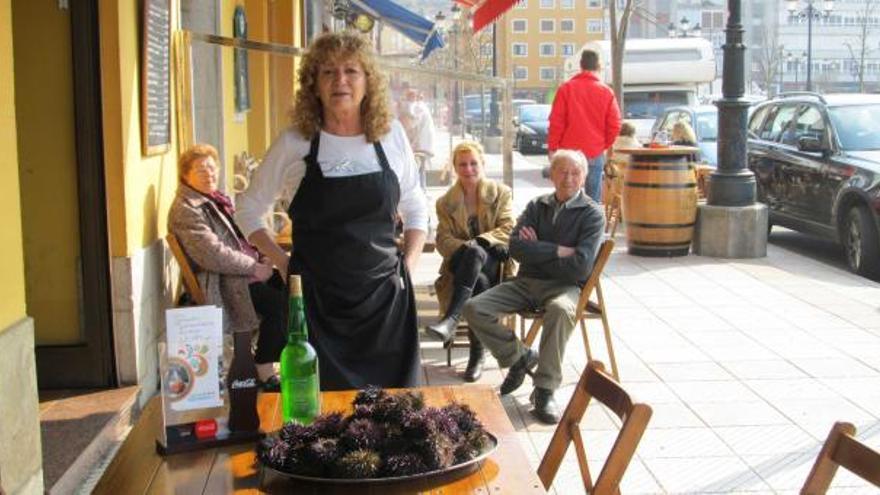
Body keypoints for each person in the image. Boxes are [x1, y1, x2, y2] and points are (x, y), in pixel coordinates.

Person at [235, 32, 428, 391]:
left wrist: (410, 267)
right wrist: (282, 261)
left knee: (395, 413)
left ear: (368, 81)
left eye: (351, 71)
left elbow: (416, 205)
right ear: (314, 84)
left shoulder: (392, 136)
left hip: (386, 303)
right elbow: (247, 209)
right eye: (328, 72)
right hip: (317, 305)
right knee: (322, 419)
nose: (340, 80)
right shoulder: (295, 142)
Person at [462, 149, 605, 424]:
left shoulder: (592, 214)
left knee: (561, 311)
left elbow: (581, 266)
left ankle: (545, 390)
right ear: (552, 174)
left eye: (576, 173)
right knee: (473, 307)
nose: (569, 178)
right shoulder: (537, 205)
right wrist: (560, 250)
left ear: (585, 176)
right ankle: (520, 357)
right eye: (562, 171)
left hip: (564, 287)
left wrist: (538, 249)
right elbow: (515, 247)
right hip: (526, 283)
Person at [168, 144, 286, 390]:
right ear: (185, 175)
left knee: (295, 286)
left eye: (212, 168)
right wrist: (254, 267)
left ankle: (286, 355)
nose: (209, 174)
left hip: (244, 272)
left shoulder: (215, 199)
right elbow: (212, 254)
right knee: (282, 305)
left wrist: (263, 255)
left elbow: (241, 236)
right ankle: (263, 366)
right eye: (200, 170)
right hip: (226, 282)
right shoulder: (186, 209)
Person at [425, 141, 515, 382]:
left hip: (493, 265)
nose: (469, 169)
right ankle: (477, 354)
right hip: (458, 264)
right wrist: (466, 248)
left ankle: (451, 321)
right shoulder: (444, 202)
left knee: (480, 278)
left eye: (474, 163)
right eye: (462, 164)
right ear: (455, 167)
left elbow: (509, 228)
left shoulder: (500, 193)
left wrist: (480, 243)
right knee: (472, 256)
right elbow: (442, 239)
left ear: (482, 164)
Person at [548, 48, 621, 203]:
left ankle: (568, 226)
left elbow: (556, 122)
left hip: (568, 151)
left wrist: (553, 147)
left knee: (567, 195)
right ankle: (591, 227)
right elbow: (615, 125)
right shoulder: (606, 92)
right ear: (599, 67)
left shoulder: (566, 89)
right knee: (593, 199)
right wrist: (603, 144)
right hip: (594, 151)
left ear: (581, 65)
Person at [399, 88, 436, 192]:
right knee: (420, 169)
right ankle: (422, 190)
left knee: (416, 168)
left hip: (420, 144)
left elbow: (411, 122)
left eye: (408, 96)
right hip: (421, 144)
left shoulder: (418, 107)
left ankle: (420, 191)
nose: (407, 99)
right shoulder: (419, 106)